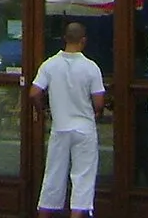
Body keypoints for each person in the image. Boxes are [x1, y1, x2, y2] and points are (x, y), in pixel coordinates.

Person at [31, 20, 107, 218]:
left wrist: (43, 111)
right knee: (82, 179)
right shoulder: (91, 68)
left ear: (64, 39)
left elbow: (34, 92)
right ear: (84, 41)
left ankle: (44, 214)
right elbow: (99, 102)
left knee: (53, 177)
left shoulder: (49, 65)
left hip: (60, 127)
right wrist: (96, 113)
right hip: (84, 128)